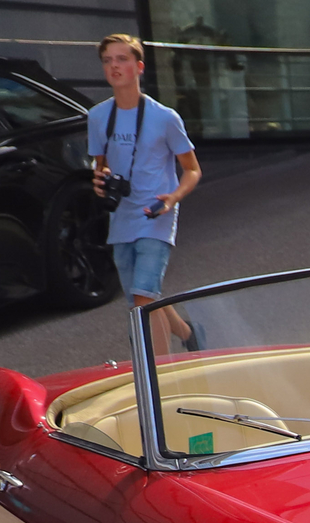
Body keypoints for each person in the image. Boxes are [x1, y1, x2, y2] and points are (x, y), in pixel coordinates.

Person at [88, 35, 201, 353]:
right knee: (143, 294)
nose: (114, 66)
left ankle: (161, 382)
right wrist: (99, 179)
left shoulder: (165, 117)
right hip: (121, 215)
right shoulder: (97, 116)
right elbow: (102, 166)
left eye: (122, 59)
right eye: (108, 60)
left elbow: (192, 169)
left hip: (156, 213)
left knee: (142, 304)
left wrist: (173, 197)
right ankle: (188, 332)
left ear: (139, 67)